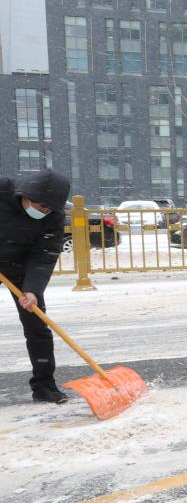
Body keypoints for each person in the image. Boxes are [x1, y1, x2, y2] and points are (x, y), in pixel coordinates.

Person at [0, 170, 72, 403]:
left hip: (19, 267)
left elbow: (44, 254)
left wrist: (32, 289)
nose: (45, 212)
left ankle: (44, 386)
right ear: (26, 195)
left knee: (37, 325)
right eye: (42, 207)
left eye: (50, 209)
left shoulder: (54, 216)